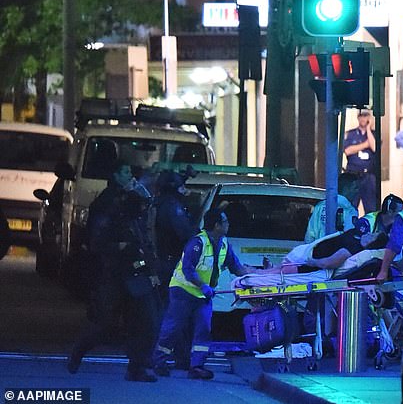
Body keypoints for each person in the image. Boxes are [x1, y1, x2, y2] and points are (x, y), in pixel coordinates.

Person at [68, 161, 161, 382]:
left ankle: (136, 368)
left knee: (147, 322)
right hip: (113, 275)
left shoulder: (134, 209)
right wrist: (119, 247)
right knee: (105, 325)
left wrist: (150, 271)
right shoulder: (107, 204)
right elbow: (97, 242)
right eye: (126, 172)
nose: (130, 178)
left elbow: (143, 240)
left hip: (136, 276)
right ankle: (79, 349)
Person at [152, 209, 259, 380]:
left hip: (203, 296)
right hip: (183, 291)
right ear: (216, 225)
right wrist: (203, 286)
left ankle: (197, 366)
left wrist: (257, 276)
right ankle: (159, 362)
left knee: (203, 330)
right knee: (173, 328)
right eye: (225, 222)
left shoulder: (224, 244)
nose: (228, 225)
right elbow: (188, 269)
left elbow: (237, 267)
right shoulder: (197, 243)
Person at [155, 170, 198, 303]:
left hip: (165, 257)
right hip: (171, 259)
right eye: (182, 187)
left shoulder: (162, 202)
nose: (185, 191)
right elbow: (185, 232)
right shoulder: (172, 206)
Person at [304, 172, 359, 243]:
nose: (357, 191)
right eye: (355, 188)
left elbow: (310, 234)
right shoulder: (349, 210)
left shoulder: (320, 206)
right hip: (338, 252)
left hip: (318, 251)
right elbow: (350, 236)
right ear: (346, 189)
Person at [343, 109, 377, 213]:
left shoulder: (373, 134)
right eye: (361, 116)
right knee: (351, 206)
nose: (363, 119)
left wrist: (368, 129)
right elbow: (348, 150)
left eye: (366, 116)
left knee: (371, 208)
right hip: (353, 175)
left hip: (368, 176)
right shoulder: (350, 134)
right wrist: (366, 145)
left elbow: (375, 147)